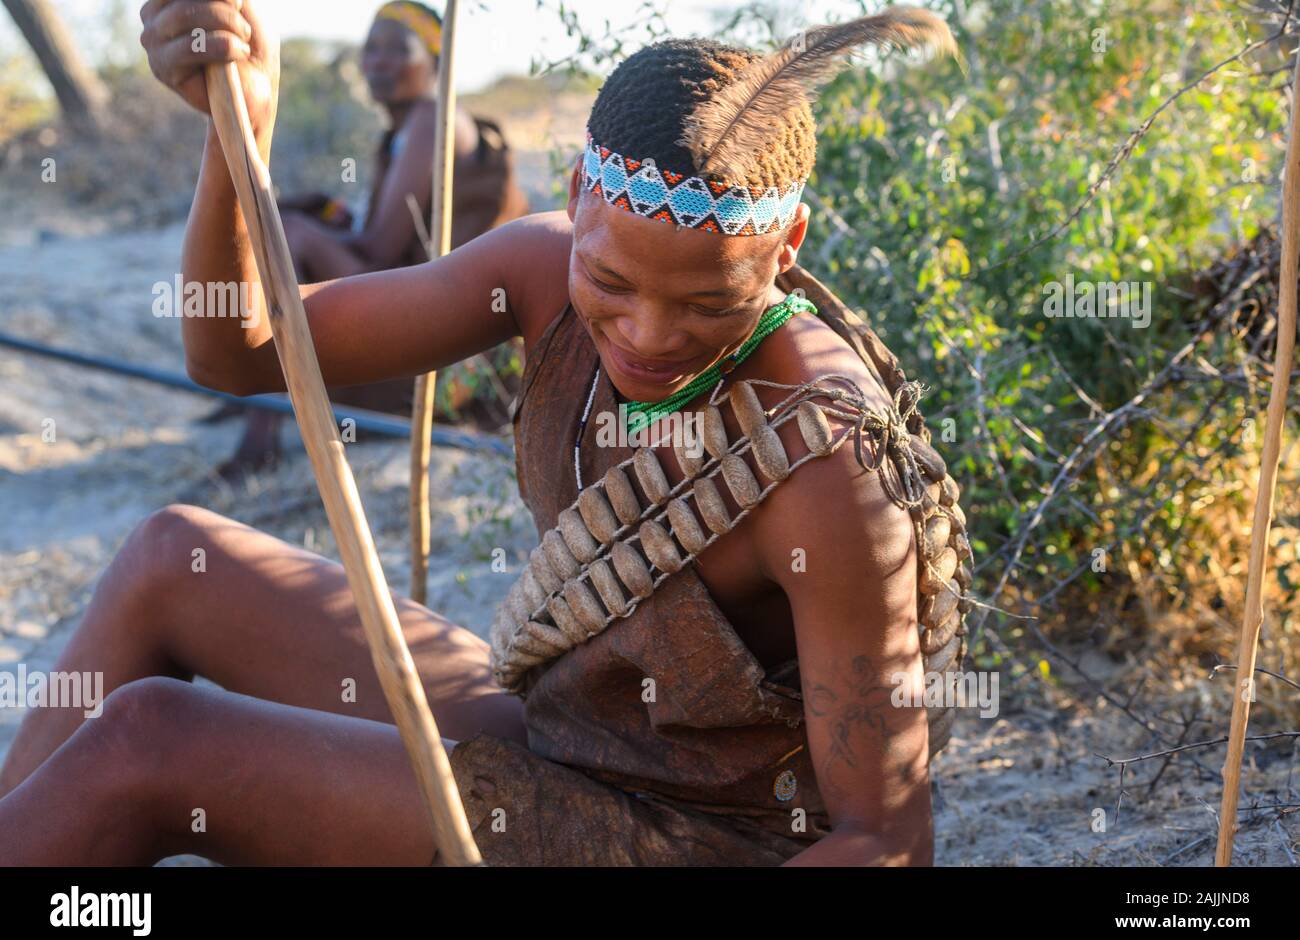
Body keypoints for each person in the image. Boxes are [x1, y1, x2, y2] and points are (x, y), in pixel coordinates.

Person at [0, 0, 965, 865]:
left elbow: (882, 838)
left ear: (785, 247)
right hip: (568, 731)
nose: (648, 337)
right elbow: (239, 351)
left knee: (154, 743)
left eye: (708, 303)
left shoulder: (830, 464)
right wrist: (235, 130)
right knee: (175, 556)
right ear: (581, 190)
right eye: (613, 287)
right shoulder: (537, 271)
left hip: (691, 836)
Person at [219, 0, 529, 476]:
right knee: (290, 224)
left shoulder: (431, 118)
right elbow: (382, 243)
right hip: (434, 310)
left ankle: (261, 428)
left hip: (451, 342)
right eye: (370, 49)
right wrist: (325, 210)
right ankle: (255, 390)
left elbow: (381, 250)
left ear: (434, 62)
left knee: (294, 236)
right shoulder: (403, 132)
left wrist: (311, 226)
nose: (377, 62)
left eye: (396, 49)